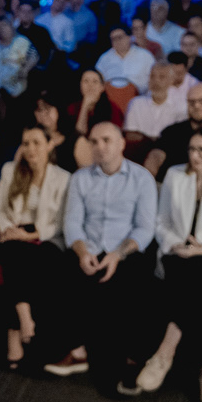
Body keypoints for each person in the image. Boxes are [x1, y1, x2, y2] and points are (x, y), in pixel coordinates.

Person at [131, 130, 202, 402]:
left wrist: (201, 249)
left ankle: (165, 352)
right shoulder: (175, 175)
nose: (195, 155)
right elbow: (161, 222)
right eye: (192, 149)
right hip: (177, 249)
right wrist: (176, 244)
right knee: (194, 278)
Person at [48, 122, 158, 387]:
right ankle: (78, 351)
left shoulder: (142, 178)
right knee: (64, 268)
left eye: (106, 140)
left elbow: (145, 228)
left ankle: (126, 358)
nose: (99, 147)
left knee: (134, 277)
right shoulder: (80, 178)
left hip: (125, 249)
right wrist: (82, 252)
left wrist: (118, 254)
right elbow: (72, 223)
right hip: (90, 246)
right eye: (94, 142)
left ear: (122, 144)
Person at [0, 126, 72, 370]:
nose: (30, 149)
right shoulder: (10, 170)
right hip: (15, 233)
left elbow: (60, 223)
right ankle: (25, 319)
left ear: (49, 145)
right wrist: (9, 230)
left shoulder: (63, 177)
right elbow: (0, 211)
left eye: (36, 142)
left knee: (22, 260)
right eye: (26, 143)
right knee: (12, 251)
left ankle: (15, 333)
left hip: (47, 237)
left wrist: (31, 235)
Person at [147, 80, 202, 177]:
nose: (196, 106)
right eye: (191, 102)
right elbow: (154, 159)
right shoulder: (172, 132)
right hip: (171, 183)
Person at [123, 61, 188, 156]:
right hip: (139, 152)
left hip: (169, 153)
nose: (156, 81)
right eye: (152, 76)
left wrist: (145, 138)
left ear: (171, 81)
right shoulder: (136, 103)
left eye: (162, 77)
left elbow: (179, 138)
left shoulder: (181, 106)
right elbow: (130, 135)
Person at [95, 24, 155, 89]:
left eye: (120, 37)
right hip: (111, 94)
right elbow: (97, 79)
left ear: (129, 37)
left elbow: (154, 78)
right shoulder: (104, 58)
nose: (117, 41)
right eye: (113, 39)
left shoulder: (145, 56)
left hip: (139, 94)